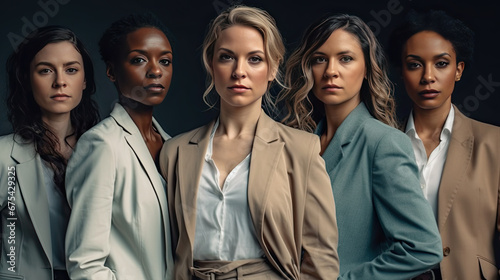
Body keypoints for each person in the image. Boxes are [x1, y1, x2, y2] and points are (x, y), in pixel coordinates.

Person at [160, 5, 339, 280]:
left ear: (272, 68)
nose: (239, 71)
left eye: (254, 59)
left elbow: (321, 260)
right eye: (227, 57)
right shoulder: (174, 152)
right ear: (211, 65)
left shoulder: (301, 149)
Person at [279, 14, 443, 279]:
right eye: (320, 59)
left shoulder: (384, 143)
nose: (331, 70)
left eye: (346, 58)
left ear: (366, 69)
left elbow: (422, 248)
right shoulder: (300, 145)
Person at [388, 10, 500, 280]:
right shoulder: (382, 142)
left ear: (458, 70)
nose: (428, 76)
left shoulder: (493, 143)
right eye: (415, 64)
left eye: (441, 64)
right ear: (402, 72)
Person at [65, 12, 174, 279]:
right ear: (112, 72)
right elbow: (85, 265)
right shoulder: (101, 145)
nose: (156, 70)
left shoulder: (175, 146)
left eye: (165, 61)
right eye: (138, 60)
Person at [0, 25, 99, 280]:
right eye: (45, 70)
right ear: (27, 79)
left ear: (85, 80)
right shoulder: (3, 156)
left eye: (71, 69)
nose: (60, 81)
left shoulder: (105, 151)